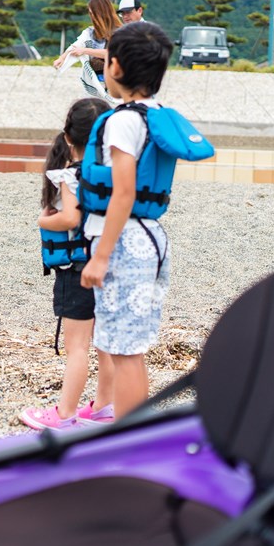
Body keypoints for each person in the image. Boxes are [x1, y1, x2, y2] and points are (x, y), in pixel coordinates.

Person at [80, 21, 174, 419]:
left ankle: (130, 437)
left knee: (125, 351)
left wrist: (100, 256)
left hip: (125, 241)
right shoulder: (156, 114)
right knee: (129, 346)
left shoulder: (122, 120)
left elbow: (123, 191)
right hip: (151, 237)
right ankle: (128, 428)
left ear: (114, 67)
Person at [20, 97, 115, 430]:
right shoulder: (113, 174)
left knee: (77, 347)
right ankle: (104, 407)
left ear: (69, 137)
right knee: (104, 343)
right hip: (109, 265)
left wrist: (44, 220)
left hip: (78, 271)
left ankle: (64, 415)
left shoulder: (69, 175)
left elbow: (71, 217)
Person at [53, 0, 123, 101]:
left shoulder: (120, 32)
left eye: (93, 13)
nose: (91, 16)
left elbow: (112, 53)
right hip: (94, 83)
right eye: (90, 13)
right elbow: (77, 45)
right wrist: (62, 58)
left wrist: (85, 50)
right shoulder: (90, 32)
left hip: (114, 82)